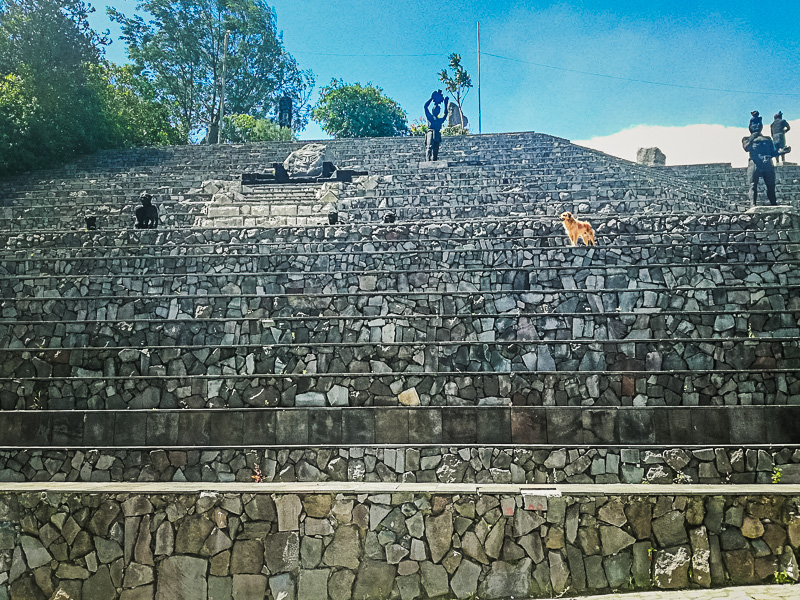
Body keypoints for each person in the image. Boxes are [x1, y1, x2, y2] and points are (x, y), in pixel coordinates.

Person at [742, 121, 779, 206]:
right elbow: (746, 148)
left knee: (771, 185)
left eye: (759, 124)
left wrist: (781, 151)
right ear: (750, 126)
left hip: (767, 163)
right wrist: (753, 136)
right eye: (754, 124)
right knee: (753, 185)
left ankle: (773, 203)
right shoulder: (746, 139)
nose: (757, 125)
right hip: (755, 163)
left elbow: (773, 152)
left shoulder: (768, 139)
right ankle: (753, 204)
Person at [424, 90, 449, 161]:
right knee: (429, 147)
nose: (437, 110)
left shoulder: (439, 120)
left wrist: (445, 104)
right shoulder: (430, 117)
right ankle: (427, 160)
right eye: (435, 108)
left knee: (435, 150)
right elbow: (425, 107)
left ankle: (434, 161)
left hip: (437, 134)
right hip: (430, 132)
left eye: (438, 109)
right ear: (432, 110)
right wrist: (432, 98)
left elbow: (445, 114)